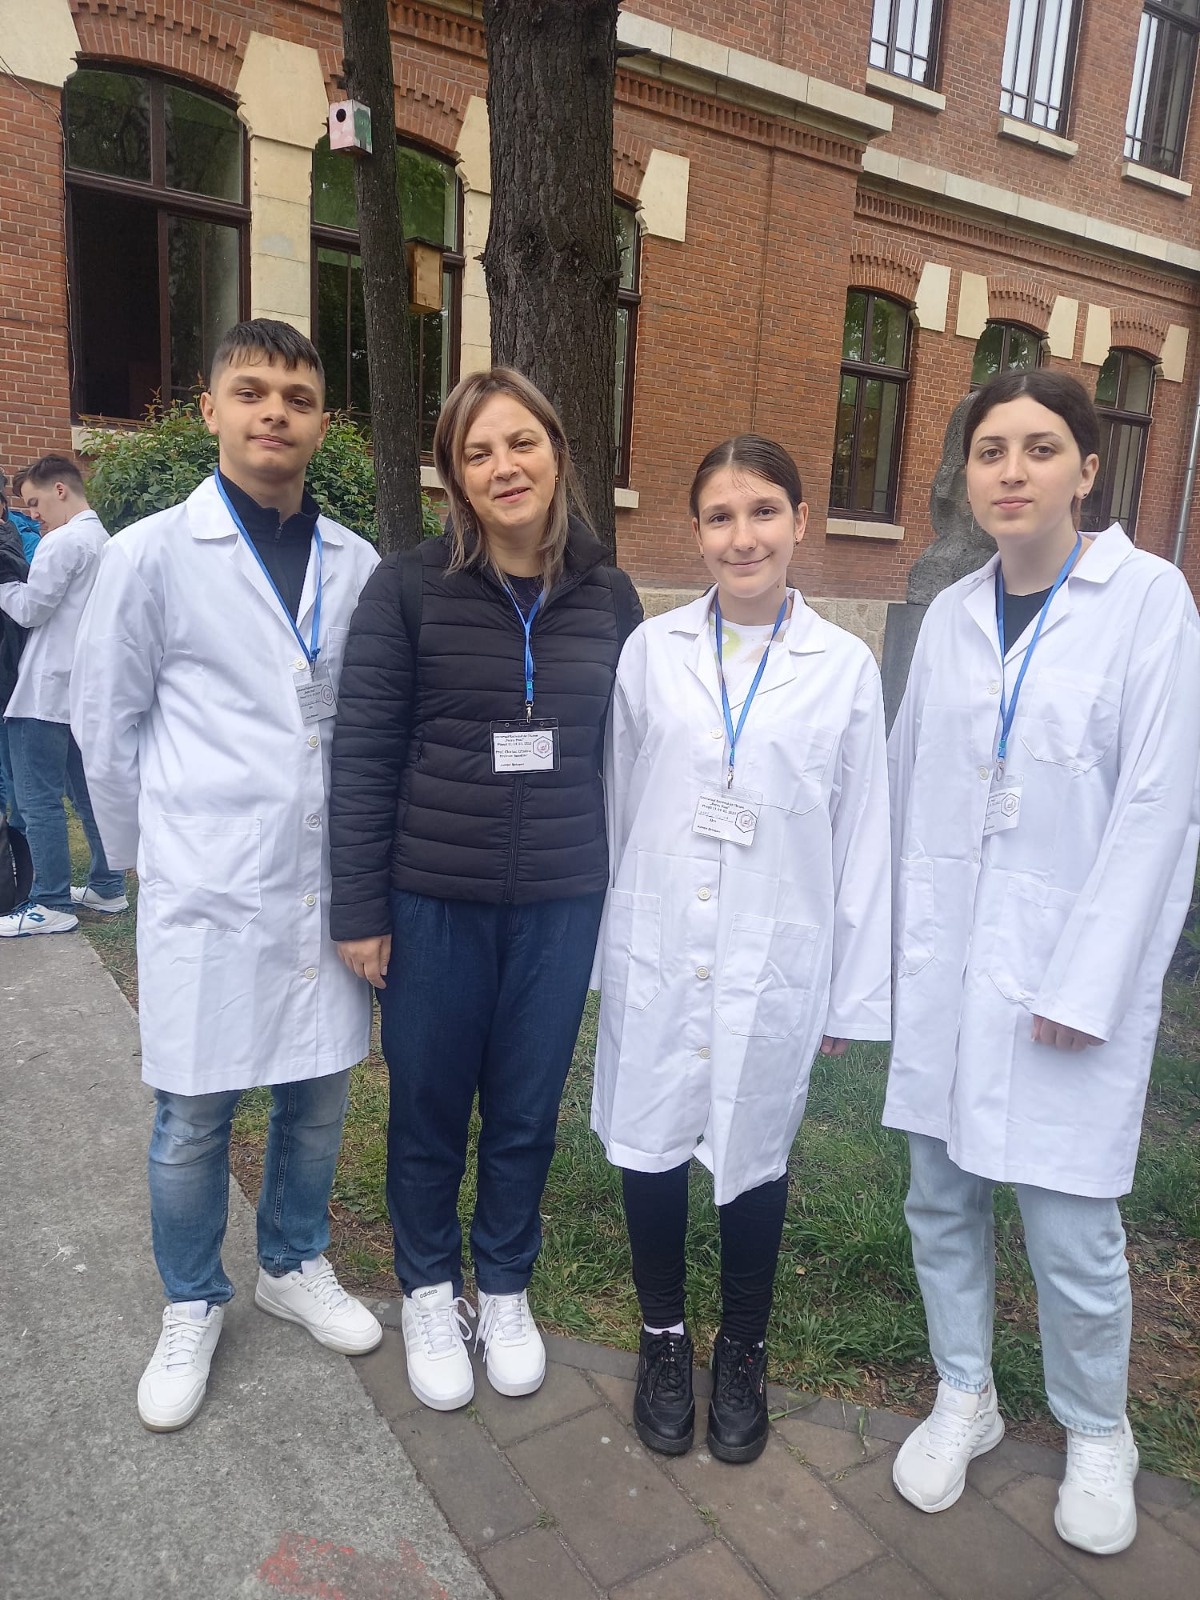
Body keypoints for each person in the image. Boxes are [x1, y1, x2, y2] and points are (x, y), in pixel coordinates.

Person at [885, 369, 1200, 1556]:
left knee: (1072, 1228)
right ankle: (965, 1389)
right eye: (990, 450)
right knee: (939, 1194)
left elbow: (1161, 807)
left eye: (1040, 446)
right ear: (967, 475)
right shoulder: (954, 615)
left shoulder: (1148, 601)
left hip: (1068, 979)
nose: (1012, 470)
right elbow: (907, 784)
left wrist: (1087, 982)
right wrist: (888, 959)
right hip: (949, 963)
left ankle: (1098, 1426)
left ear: (1086, 469)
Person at [71, 319, 383, 1433]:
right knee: (193, 1116)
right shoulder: (150, 555)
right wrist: (151, 861)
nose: (273, 414)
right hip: (204, 885)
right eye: (250, 392)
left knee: (318, 1097)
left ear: (322, 423)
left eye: (296, 398)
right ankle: (193, 1297)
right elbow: (104, 724)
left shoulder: (356, 564)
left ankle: (291, 1263)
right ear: (210, 410)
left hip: (321, 886)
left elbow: (364, 730)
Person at [329, 367, 642, 1412]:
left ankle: (503, 1286)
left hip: (560, 899)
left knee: (524, 1109)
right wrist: (360, 910)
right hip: (433, 901)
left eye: (521, 443)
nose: (504, 467)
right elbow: (363, 754)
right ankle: (428, 1288)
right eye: (477, 452)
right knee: (427, 1106)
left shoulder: (609, 595)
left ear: (557, 453)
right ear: (454, 480)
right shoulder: (408, 589)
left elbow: (633, 754)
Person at [592, 435, 892, 1463]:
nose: (743, 536)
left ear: (800, 521)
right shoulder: (652, 653)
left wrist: (849, 993)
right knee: (652, 1137)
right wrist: (614, 947)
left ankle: (744, 1349)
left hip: (775, 953)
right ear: (695, 532)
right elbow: (619, 804)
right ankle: (664, 1336)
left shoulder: (844, 669)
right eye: (720, 516)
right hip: (662, 940)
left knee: (754, 1146)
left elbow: (863, 836)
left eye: (763, 511)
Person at [0, 455, 125, 936]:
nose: (33, 515)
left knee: (39, 800)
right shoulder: (105, 542)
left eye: (34, 503)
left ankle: (50, 900)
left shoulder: (63, 540)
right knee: (87, 795)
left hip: (43, 692)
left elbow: (30, 609)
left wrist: (3, 584)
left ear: (59, 489)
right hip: (79, 689)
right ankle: (108, 886)